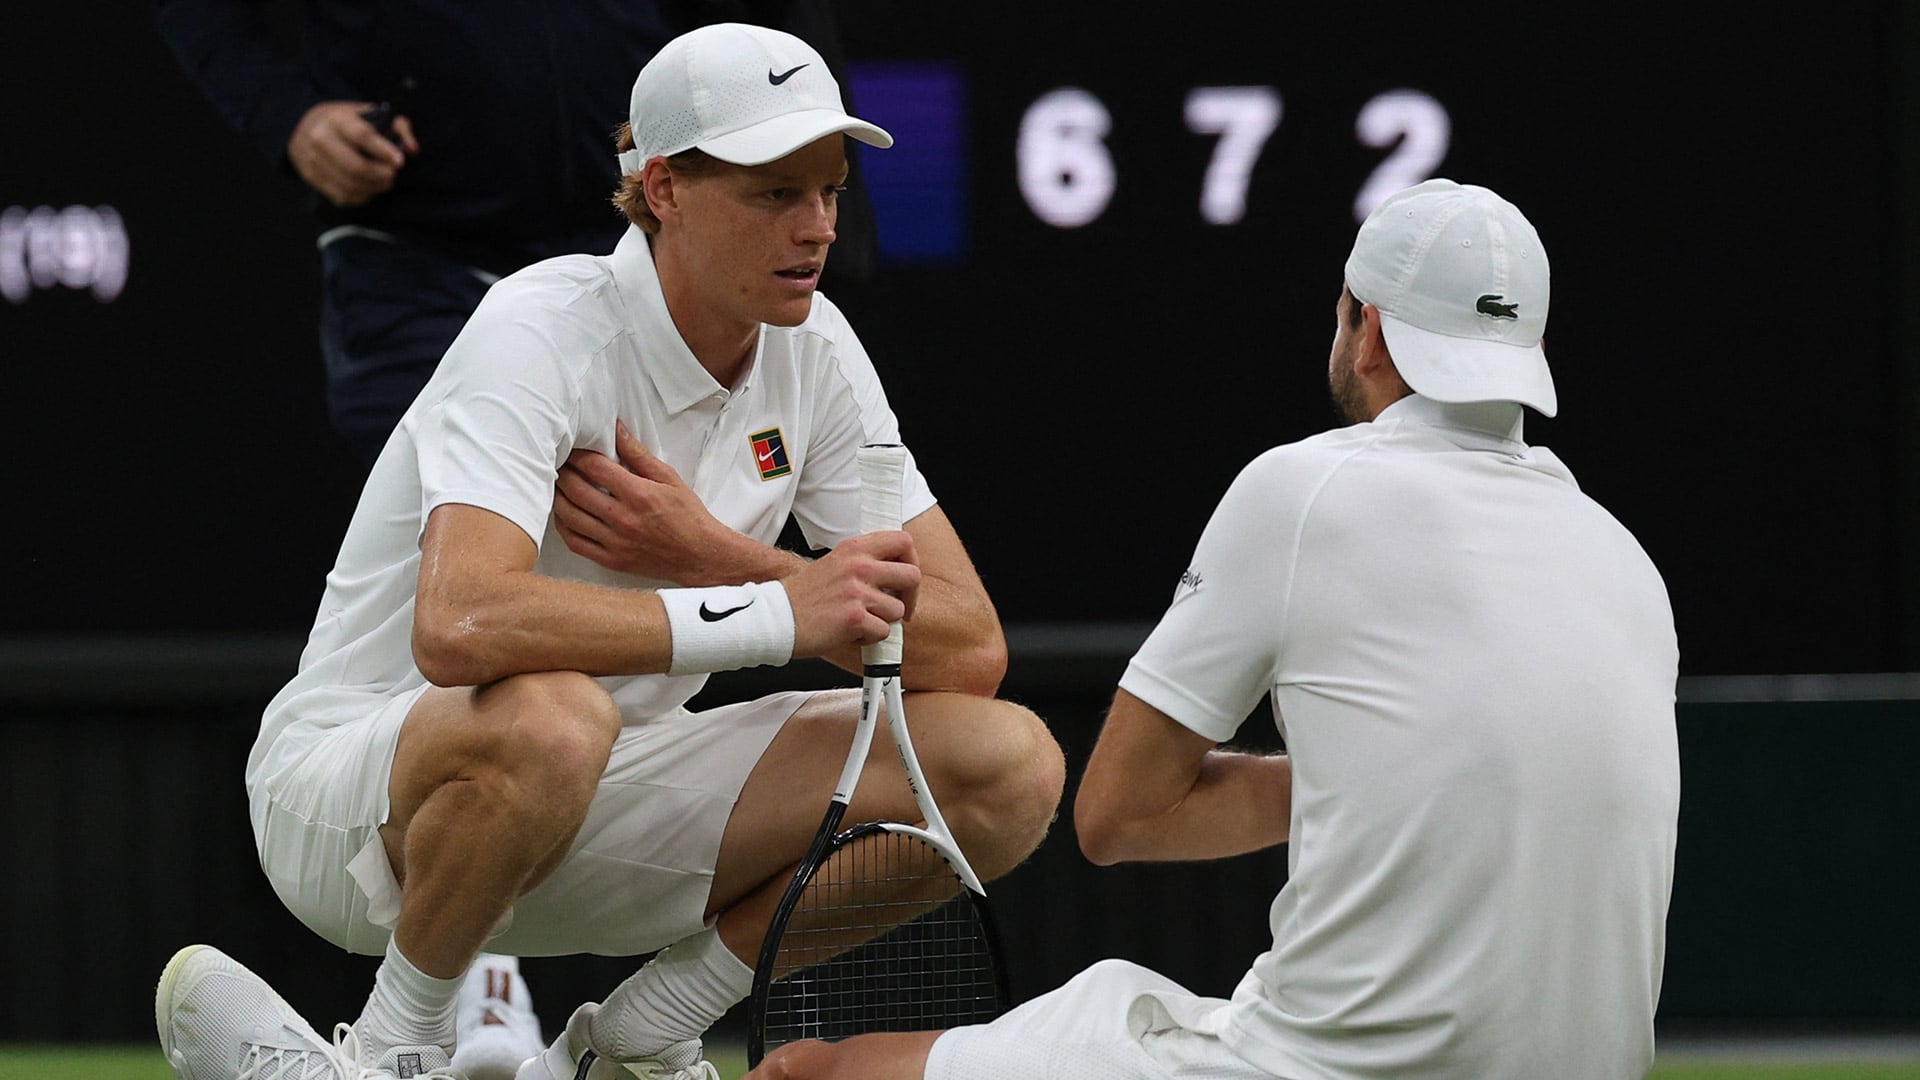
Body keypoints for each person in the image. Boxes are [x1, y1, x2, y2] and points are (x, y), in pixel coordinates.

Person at [151, 22, 1064, 1080]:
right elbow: (462, 625)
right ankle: (393, 1053)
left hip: (601, 804)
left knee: (1006, 765)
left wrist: (724, 555)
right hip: (350, 819)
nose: (815, 228)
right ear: (665, 189)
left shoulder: (819, 353)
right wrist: (780, 611)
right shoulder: (538, 324)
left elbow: (968, 649)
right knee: (553, 711)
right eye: (776, 194)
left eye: (831, 191)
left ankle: (638, 1038)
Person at [745, 180, 1682, 1080]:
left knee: (811, 1073)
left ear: (1371, 333)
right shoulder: (1629, 563)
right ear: (1532, 348)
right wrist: (1381, 780)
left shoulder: (1305, 492)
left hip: (1313, 1070)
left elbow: (1119, 817)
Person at [151, 0, 878, 470]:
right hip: (419, 255)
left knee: (627, 552)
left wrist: (829, 219)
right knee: (499, 551)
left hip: (634, 252)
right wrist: (290, 116)